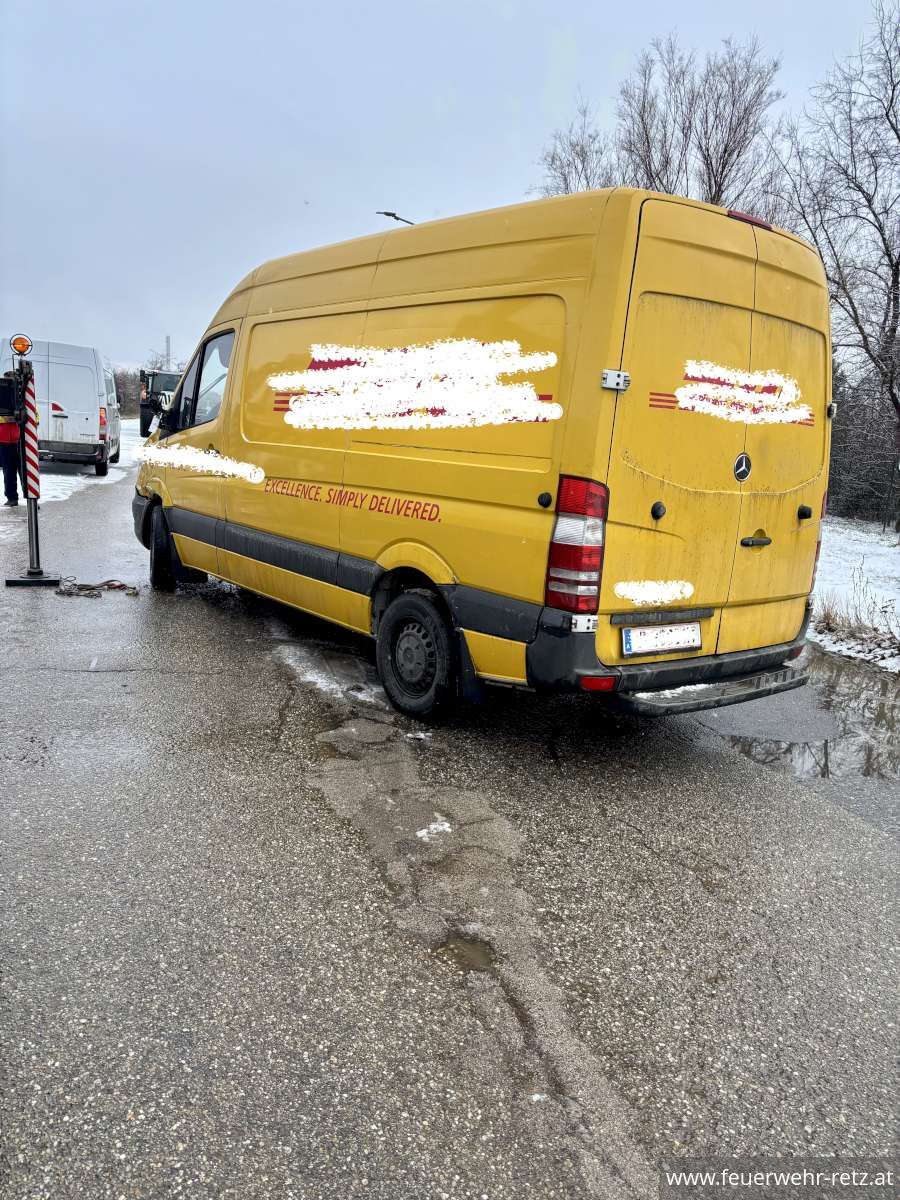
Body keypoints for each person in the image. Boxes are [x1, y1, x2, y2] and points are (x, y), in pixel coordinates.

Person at [0, 371, 22, 508]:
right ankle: (12, 498)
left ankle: (32, 497)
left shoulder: (24, 398)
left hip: (21, 441)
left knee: (25, 472)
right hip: (4, 441)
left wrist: (18, 418)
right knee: (9, 471)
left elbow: (35, 417)